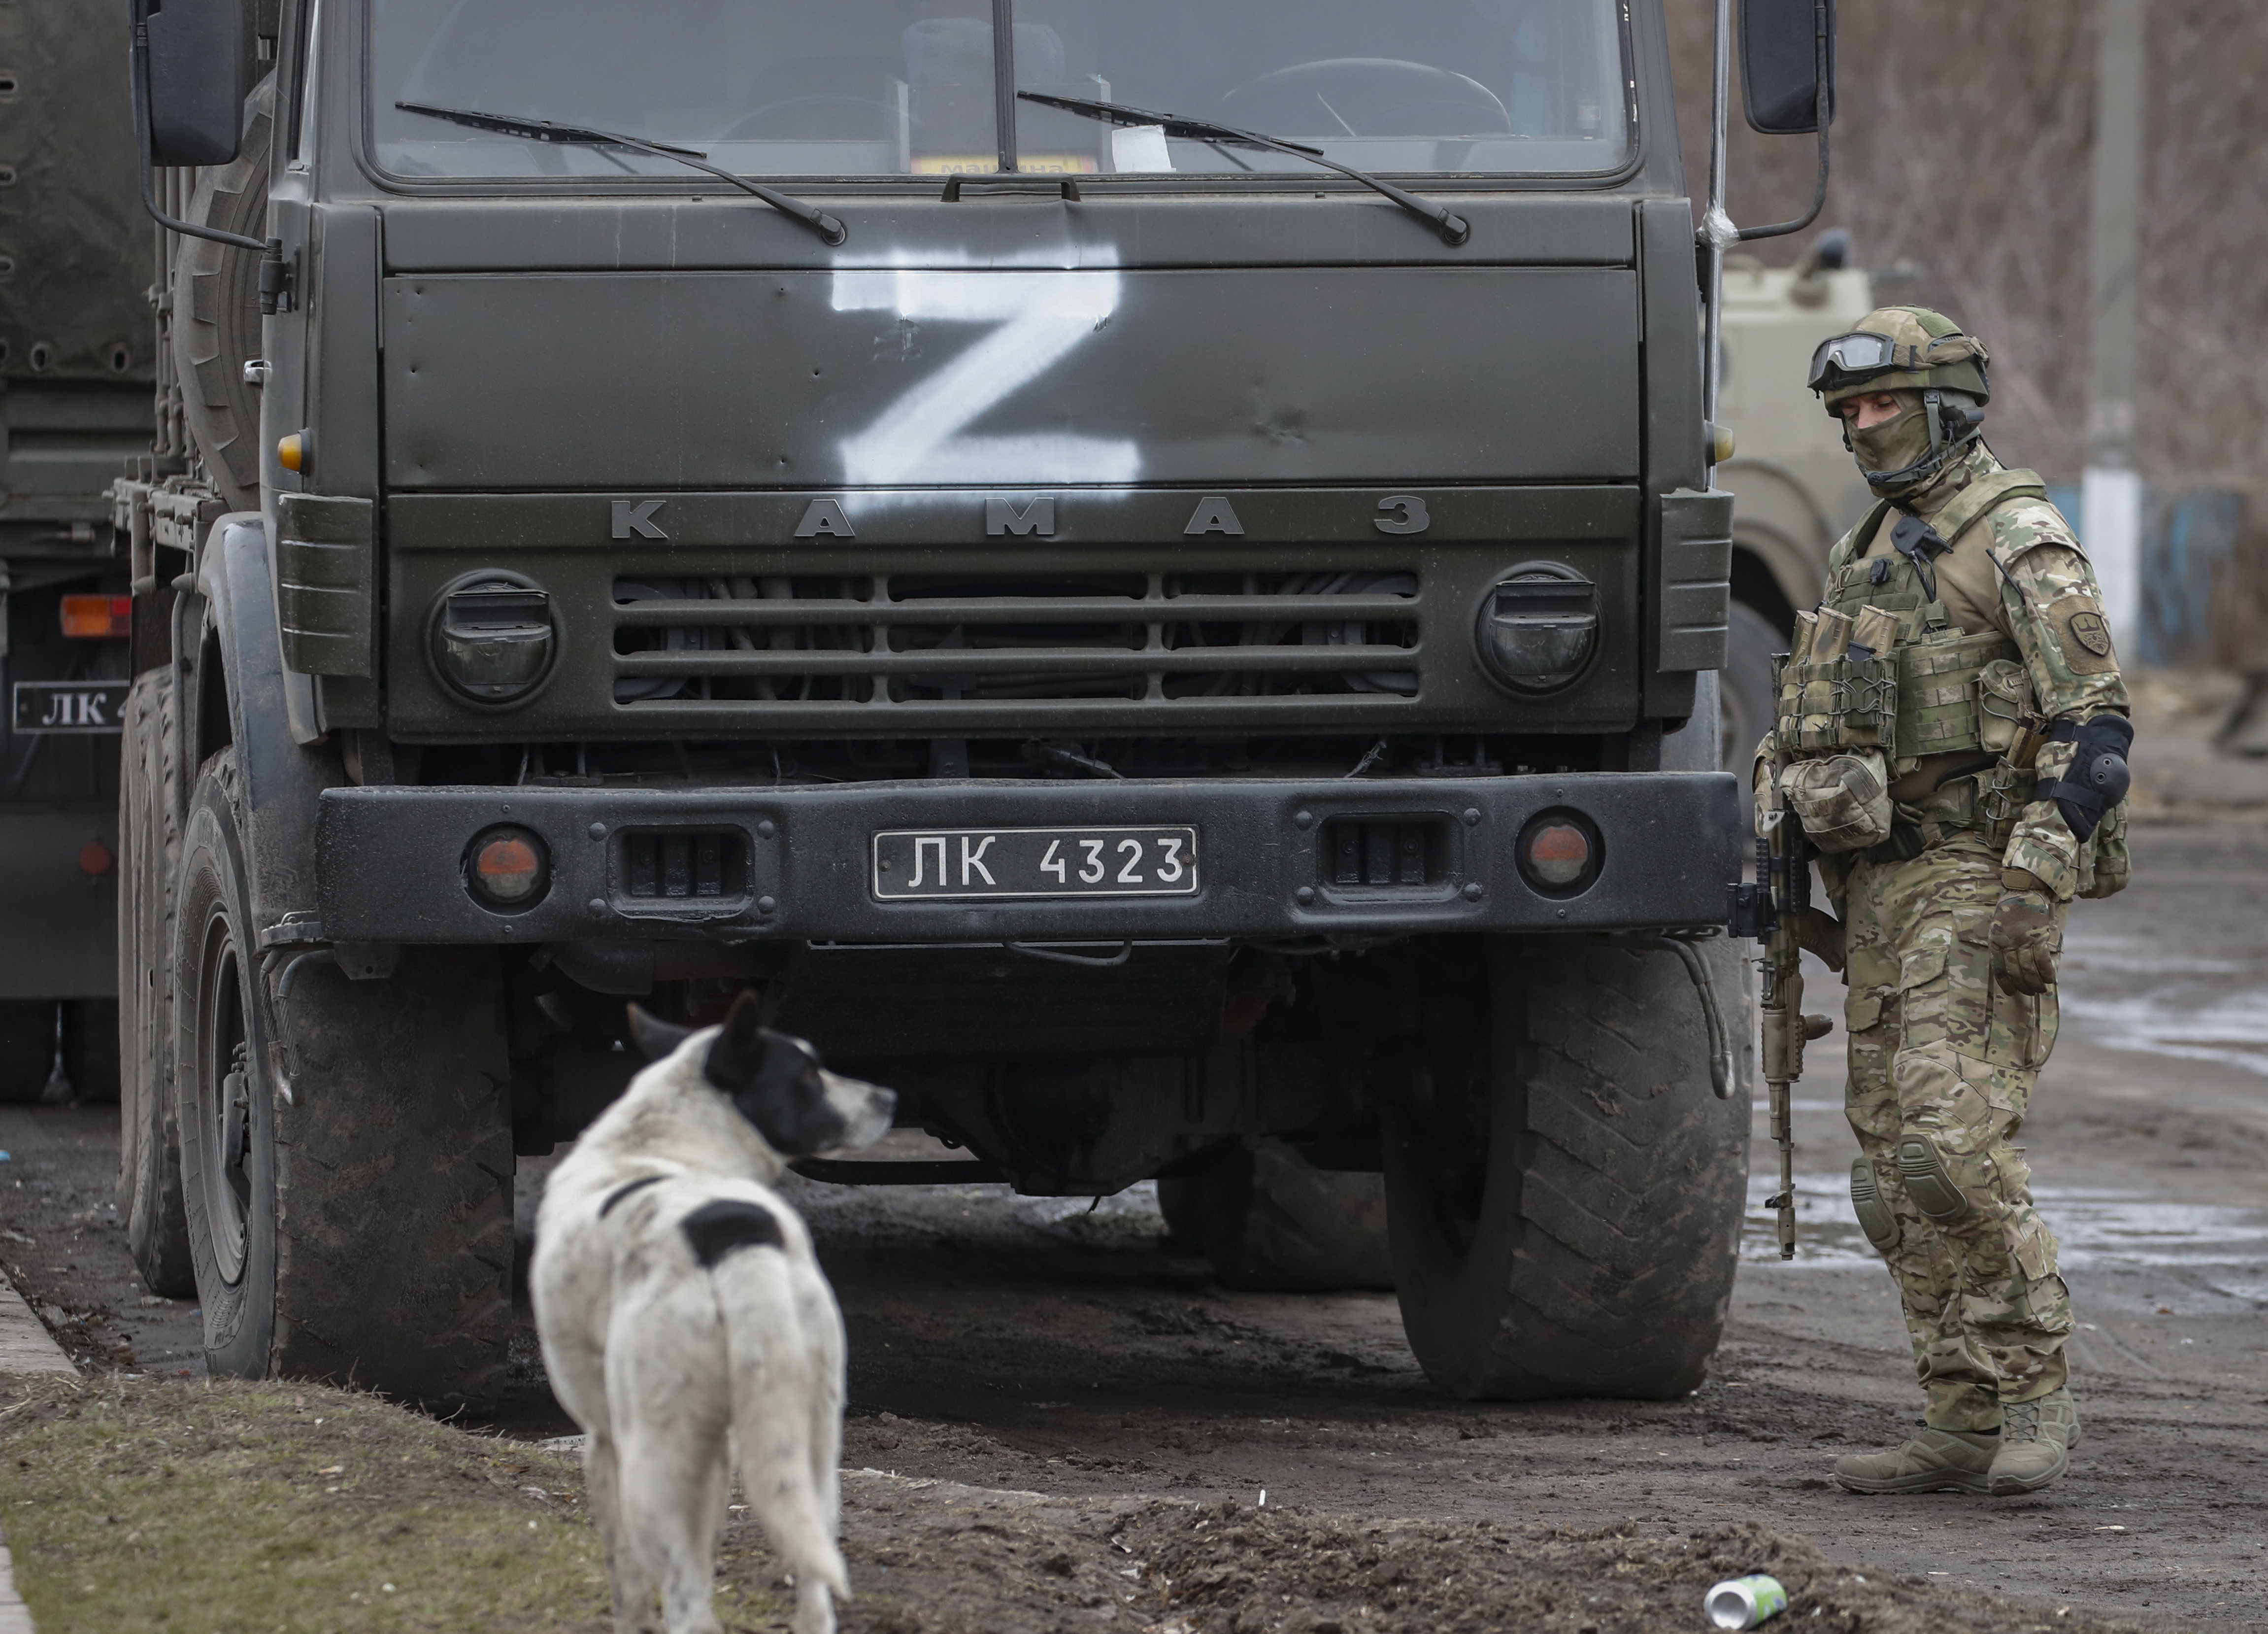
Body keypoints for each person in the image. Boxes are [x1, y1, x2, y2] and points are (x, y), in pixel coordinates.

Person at [1759, 306, 2132, 1497]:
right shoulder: (1870, 541)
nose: (1865, 426)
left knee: (1952, 1152)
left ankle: (2036, 1396)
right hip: (1876, 882)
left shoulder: (2014, 535)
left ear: (1948, 404)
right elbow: (1821, 711)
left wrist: (2032, 880)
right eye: (1850, 409)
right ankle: (1956, 1410)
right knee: (1884, 1169)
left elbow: (2095, 726)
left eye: (1885, 403)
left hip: (1975, 872)